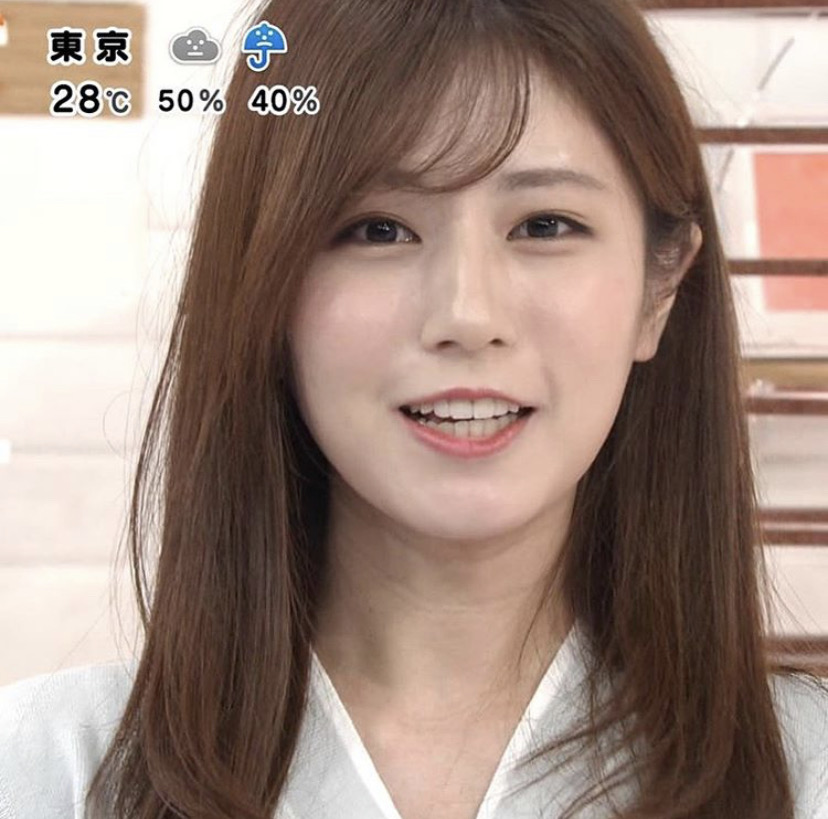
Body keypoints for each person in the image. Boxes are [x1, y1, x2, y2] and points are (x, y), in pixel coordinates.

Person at [2, 0, 827, 817]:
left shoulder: (808, 769)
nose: (467, 313)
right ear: (266, 285)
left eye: (545, 224)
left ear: (660, 288)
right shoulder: (48, 769)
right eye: (379, 230)